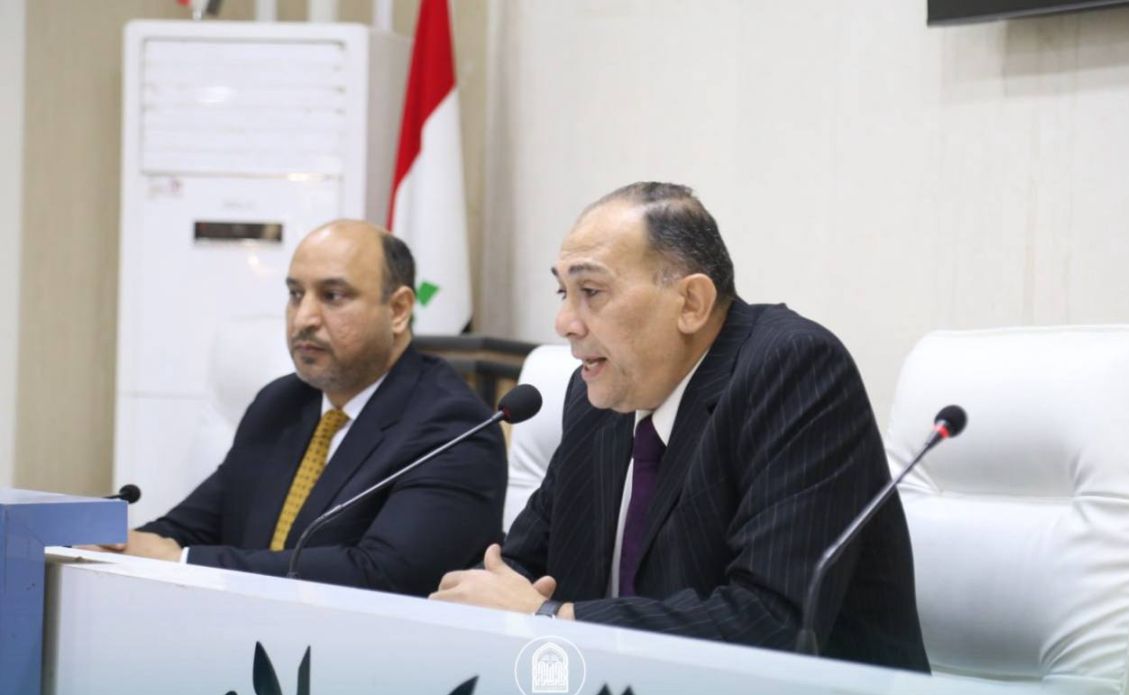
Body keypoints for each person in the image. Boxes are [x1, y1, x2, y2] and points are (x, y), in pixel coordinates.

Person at [432, 183, 928, 670]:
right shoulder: (597, 397)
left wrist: (550, 619)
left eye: (591, 292)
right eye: (564, 292)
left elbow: (769, 620)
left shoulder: (792, 371)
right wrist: (474, 602)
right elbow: (519, 566)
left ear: (691, 303)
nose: (564, 322)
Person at [106, 219, 506, 593]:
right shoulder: (281, 403)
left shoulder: (452, 427)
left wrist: (183, 561)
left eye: (333, 296)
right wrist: (116, 546)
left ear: (398, 310)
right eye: (295, 295)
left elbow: (383, 574)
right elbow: (192, 526)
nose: (303, 319)